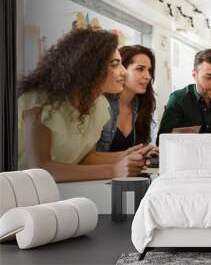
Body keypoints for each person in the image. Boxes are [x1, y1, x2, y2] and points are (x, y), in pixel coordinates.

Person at [18, 28, 153, 182]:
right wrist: (114, 169)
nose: (123, 72)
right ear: (89, 67)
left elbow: (86, 157)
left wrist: (128, 155)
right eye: (115, 65)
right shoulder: (39, 100)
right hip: (21, 194)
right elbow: (41, 168)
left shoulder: (98, 105)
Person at [97, 45, 158, 155]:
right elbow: (86, 158)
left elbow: (138, 146)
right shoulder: (102, 104)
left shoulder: (143, 105)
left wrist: (145, 150)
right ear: (122, 69)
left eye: (149, 70)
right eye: (140, 69)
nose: (148, 76)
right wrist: (131, 155)